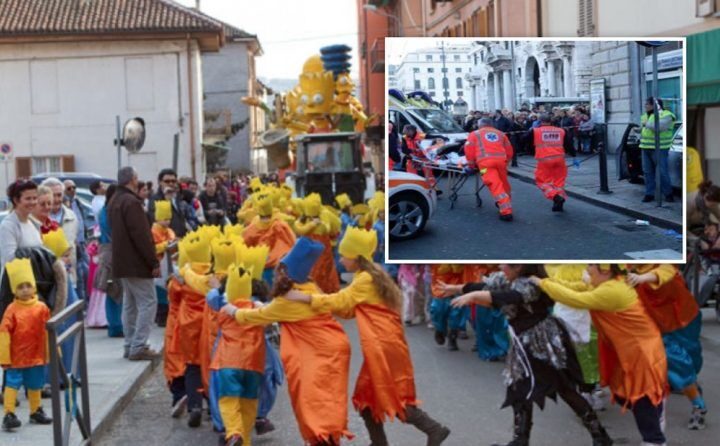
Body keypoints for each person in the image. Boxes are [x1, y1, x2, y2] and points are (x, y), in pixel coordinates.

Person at [285, 227, 450, 446]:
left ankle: (434, 430)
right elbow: (348, 309)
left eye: (344, 256)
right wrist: (317, 298)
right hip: (386, 345)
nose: (341, 260)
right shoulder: (369, 275)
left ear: (356, 257)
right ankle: (379, 442)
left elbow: (342, 302)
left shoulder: (365, 280)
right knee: (366, 399)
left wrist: (305, 298)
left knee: (393, 396)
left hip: (384, 347)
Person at [447, 264, 611, 446]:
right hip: (522, 343)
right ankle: (520, 440)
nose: (501, 266)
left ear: (519, 268)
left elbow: (511, 297)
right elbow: (486, 287)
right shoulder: (507, 278)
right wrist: (455, 289)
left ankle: (600, 435)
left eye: (507, 265)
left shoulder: (530, 283)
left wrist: (474, 296)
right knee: (518, 387)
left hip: (541, 342)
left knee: (563, 387)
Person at [221, 237, 353, 446]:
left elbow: (261, 316)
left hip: (318, 352)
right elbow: (273, 309)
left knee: (311, 401)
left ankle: (322, 440)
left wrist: (234, 310)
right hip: (335, 346)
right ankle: (330, 437)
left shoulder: (287, 300)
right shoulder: (309, 287)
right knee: (330, 399)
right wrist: (258, 305)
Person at [535, 264, 668, 446]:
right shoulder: (606, 284)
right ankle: (657, 408)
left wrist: (542, 283)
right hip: (629, 348)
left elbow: (575, 299)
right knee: (623, 393)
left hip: (640, 350)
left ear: (605, 271)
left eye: (591, 265)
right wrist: (546, 281)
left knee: (640, 397)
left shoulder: (612, 291)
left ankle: (655, 440)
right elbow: (575, 288)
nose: (587, 268)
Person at [626, 264, 707, 430]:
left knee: (693, 360)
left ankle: (691, 385)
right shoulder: (627, 264)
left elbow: (666, 271)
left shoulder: (664, 258)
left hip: (686, 318)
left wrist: (643, 278)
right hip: (657, 325)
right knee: (679, 365)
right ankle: (698, 405)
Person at [207, 264, 266, 446]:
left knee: (228, 400)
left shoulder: (224, 310)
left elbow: (212, 298)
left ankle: (233, 432)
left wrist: (218, 288)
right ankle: (245, 440)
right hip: (254, 363)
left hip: (229, 361)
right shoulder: (258, 311)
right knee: (249, 403)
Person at [107, 166, 160, 361]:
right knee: (148, 302)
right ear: (132, 179)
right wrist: (153, 260)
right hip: (136, 261)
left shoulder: (114, 200)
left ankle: (130, 344)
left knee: (130, 304)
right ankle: (138, 345)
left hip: (122, 261)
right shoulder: (131, 202)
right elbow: (142, 235)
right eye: (137, 178)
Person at [0, 258, 53, 431]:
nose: (24, 290)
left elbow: (49, 329)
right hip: (16, 356)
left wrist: (52, 348)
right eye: (20, 287)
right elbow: (4, 332)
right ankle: (9, 413)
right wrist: (4, 354)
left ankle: (35, 410)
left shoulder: (41, 308)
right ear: (14, 290)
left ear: (33, 287)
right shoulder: (11, 309)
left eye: (27, 286)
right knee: (12, 383)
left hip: (36, 354)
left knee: (35, 383)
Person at [463, 118, 514, 221]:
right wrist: (506, 161)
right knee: (504, 184)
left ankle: (506, 210)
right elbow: (509, 150)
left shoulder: (474, 134)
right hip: (501, 162)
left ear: (480, 124)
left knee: (494, 184)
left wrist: (471, 165)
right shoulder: (501, 134)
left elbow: (469, 150)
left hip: (484, 165)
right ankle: (505, 202)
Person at [526, 114, 573, 212]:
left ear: (540, 121)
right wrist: (574, 156)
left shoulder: (536, 131)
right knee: (559, 182)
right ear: (550, 121)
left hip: (544, 160)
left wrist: (530, 150)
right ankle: (558, 204)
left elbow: (524, 140)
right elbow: (569, 144)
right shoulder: (561, 130)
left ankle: (555, 197)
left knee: (542, 181)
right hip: (559, 159)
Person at [96, 185, 123, 338]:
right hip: (113, 253)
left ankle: (116, 324)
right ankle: (116, 325)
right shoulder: (109, 212)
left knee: (113, 289)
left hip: (108, 252)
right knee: (114, 289)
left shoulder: (104, 211)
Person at [0, 180, 42, 274]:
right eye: (28, 198)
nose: (32, 202)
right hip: (16, 283)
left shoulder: (34, 224)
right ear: (16, 200)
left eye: (35, 198)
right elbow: (9, 260)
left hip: (33, 281)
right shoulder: (8, 226)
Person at [640, 97, 676, 203]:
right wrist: (639, 130)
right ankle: (649, 194)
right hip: (645, 147)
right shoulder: (645, 116)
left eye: (647, 104)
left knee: (662, 172)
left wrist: (646, 124)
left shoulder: (667, 115)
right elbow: (645, 129)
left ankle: (668, 194)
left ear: (654, 105)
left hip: (660, 148)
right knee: (647, 172)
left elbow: (660, 127)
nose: (645, 106)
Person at [429, 265, 468, 351]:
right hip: (440, 283)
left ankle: (452, 337)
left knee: (457, 312)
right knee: (438, 310)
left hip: (458, 282)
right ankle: (439, 329)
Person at [151, 200, 177, 328]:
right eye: (165, 219)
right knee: (160, 291)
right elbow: (154, 248)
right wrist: (167, 244)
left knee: (168, 290)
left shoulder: (170, 231)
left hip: (169, 264)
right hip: (159, 265)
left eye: (169, 219)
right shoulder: (154, 231)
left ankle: (167, 314)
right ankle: (160, 316)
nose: (167, 221)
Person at [64, 180, 89, 302]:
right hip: (73, 246)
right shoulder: (65, 205)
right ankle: (80, 303)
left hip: (82, 242)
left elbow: (81, 219)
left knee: (86, 273)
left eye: (74, 187)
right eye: (69, 188)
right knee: (78, 275)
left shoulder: (77, 202)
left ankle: (85, 302)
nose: (72, 190)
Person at [148, 168, 188, 238]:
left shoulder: (177, 196)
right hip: (167, 240)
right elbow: (156, 220)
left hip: (182, 237)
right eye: (167, 181)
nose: (170, 184)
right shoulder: (154, 199)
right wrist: (167, 200)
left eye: (173, 181)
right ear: (160, 182)